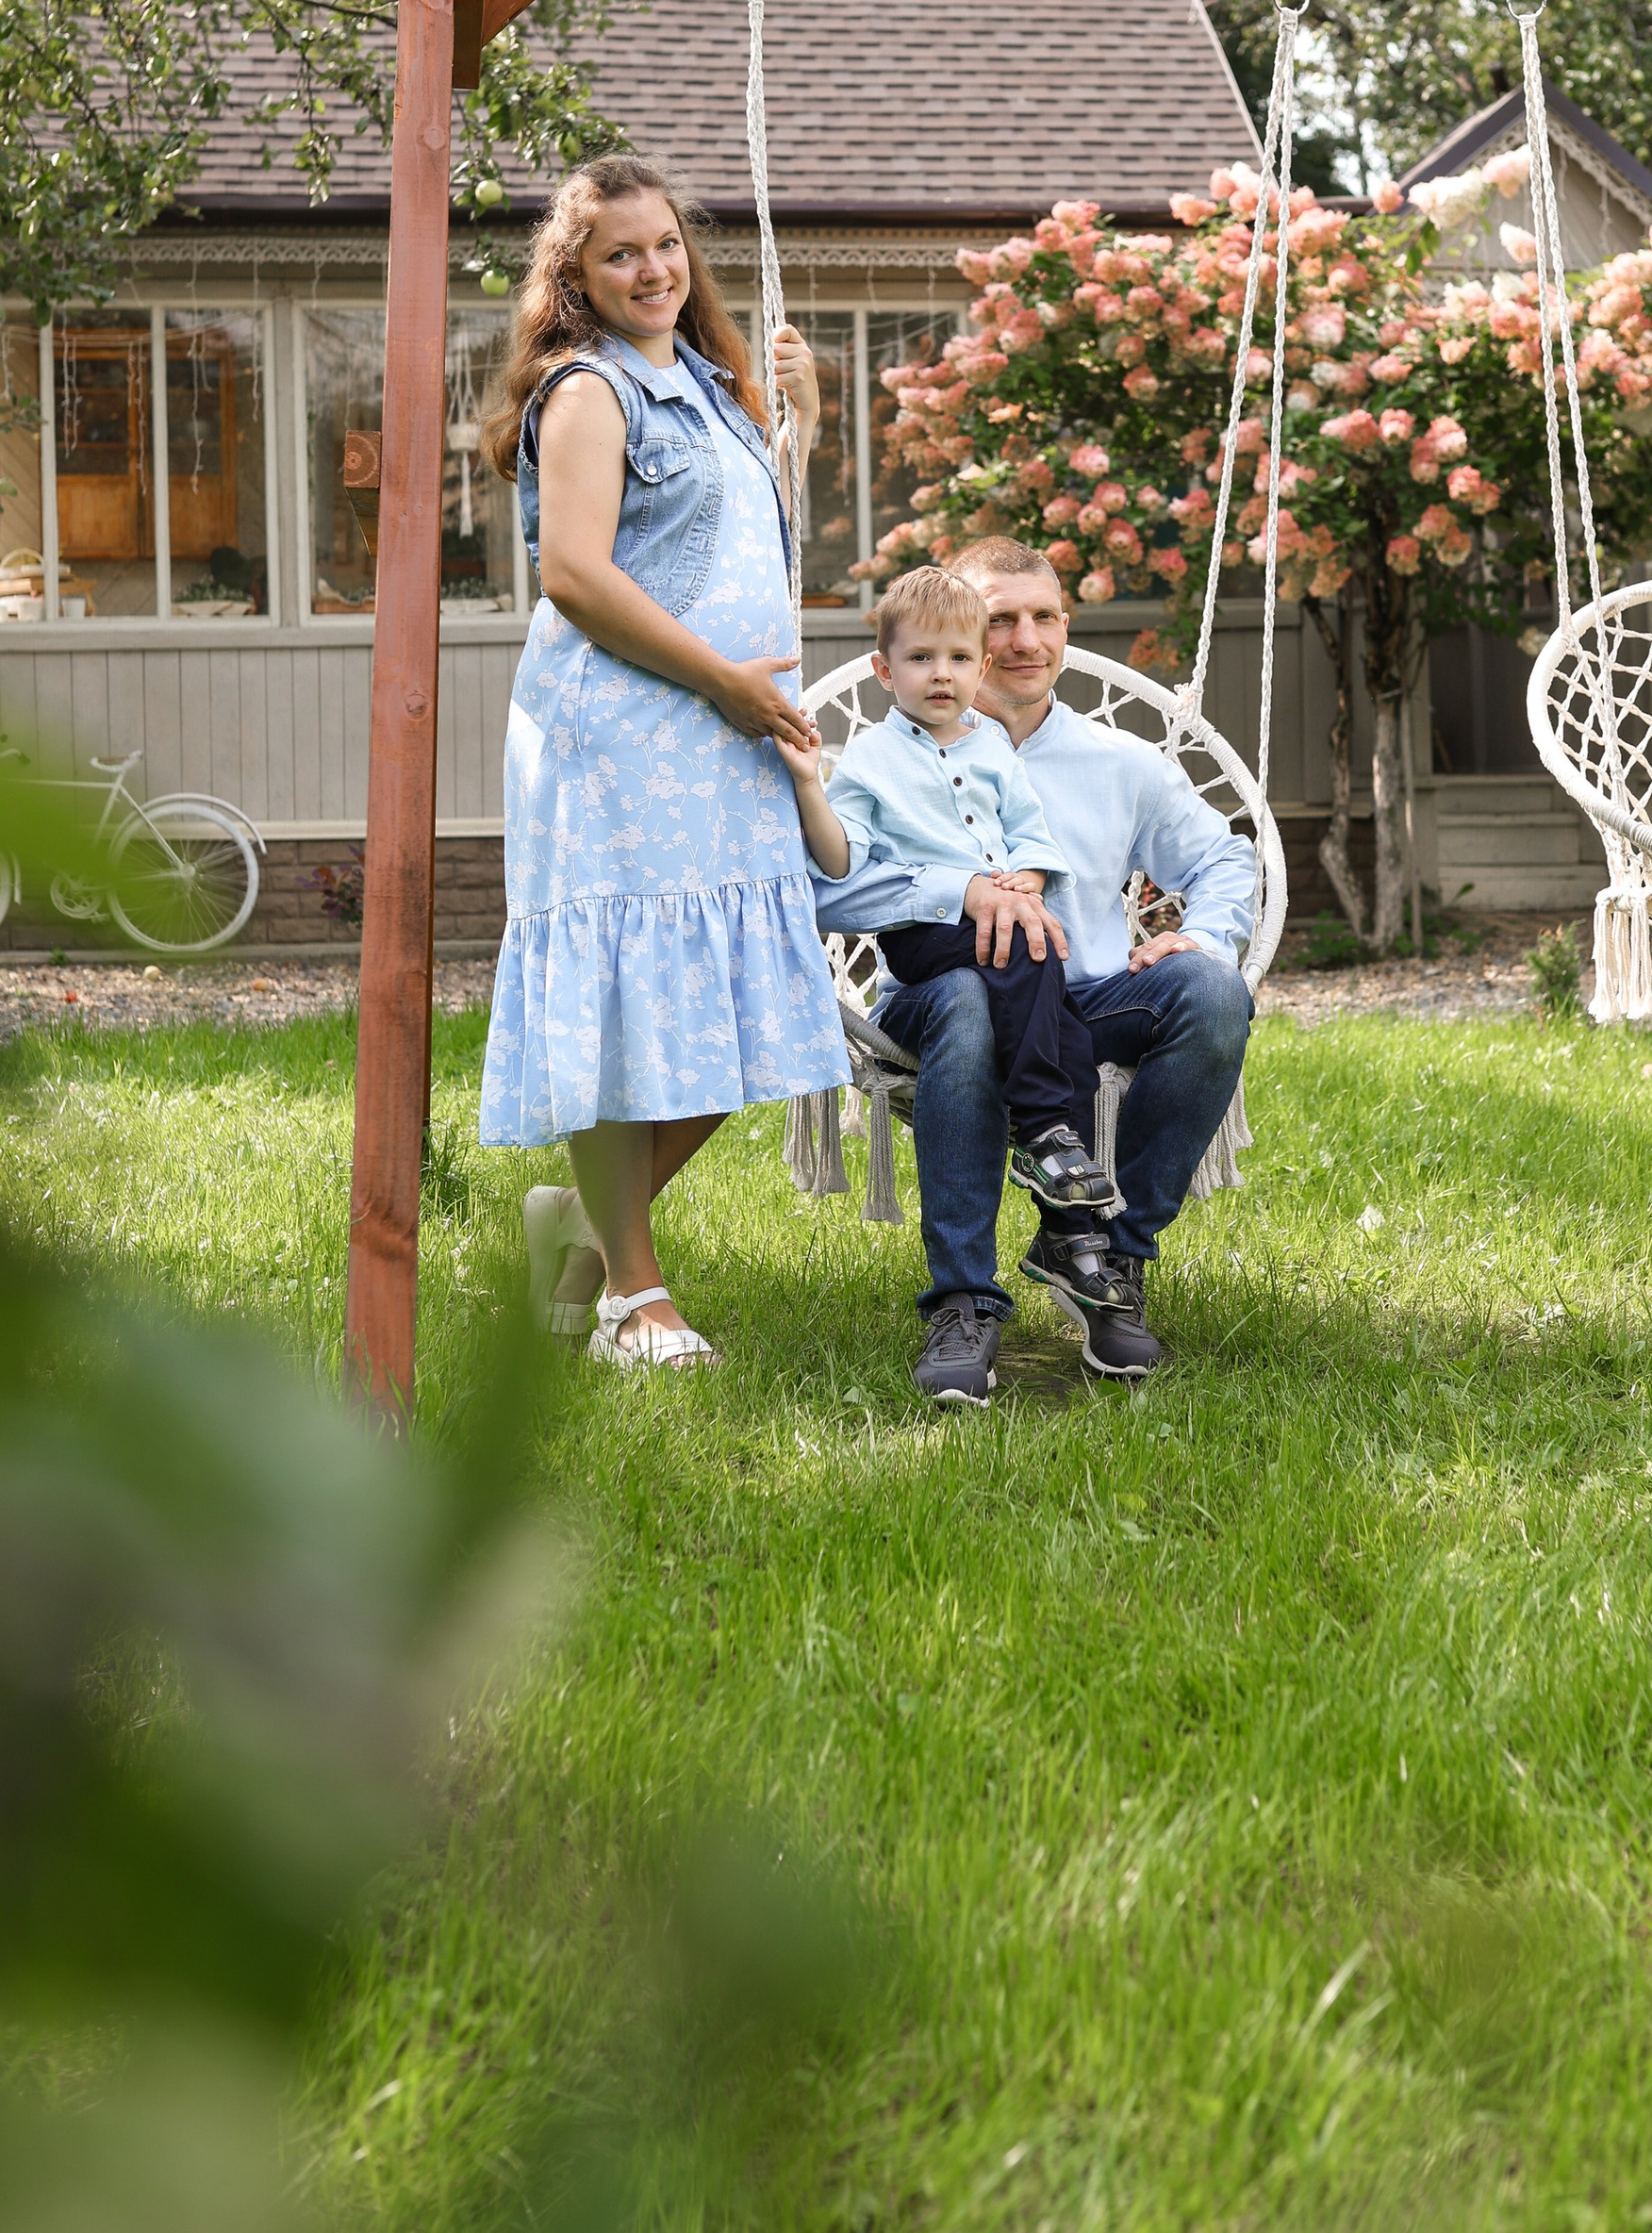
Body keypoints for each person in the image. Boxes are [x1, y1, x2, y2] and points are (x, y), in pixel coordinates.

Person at [475, 154, 847, 1367]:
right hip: (620, 739)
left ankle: (575, 1231)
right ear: (576, 278)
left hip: (721, 731)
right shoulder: (588, 392)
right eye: (620, 252)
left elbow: (739, 535)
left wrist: (802, 416)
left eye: (666, 245)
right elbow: (576, 576)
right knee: (632, 1012)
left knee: (739, 1017)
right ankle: (632, 1301)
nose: (652, 269)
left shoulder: (701, 381)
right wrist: (725, 682)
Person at [869, 538, 1258, 1402]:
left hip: (1076, 997)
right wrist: (958, 892)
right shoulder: (894, 760)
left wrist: (1207, 934)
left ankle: (1106, 1255)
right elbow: (836, 875)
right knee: (971, 997)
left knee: (1211, 991)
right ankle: (963, 1301)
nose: (1024, 640)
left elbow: (1225, 860)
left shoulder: (1116, 762)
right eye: (998, 620)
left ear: (1066, 628)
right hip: (933, 999)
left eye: (1043, 617)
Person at [782, 565, 1120, 1232]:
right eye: (920, 658)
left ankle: (1070, 1176)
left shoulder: (992, 746)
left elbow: (1029, 830)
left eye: (959, 658)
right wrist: (807, 785)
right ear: (885, 670)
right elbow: (839, 861)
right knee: (1030, 956)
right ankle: (1042, 1128)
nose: (942, 674)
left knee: (1064, 1019)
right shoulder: (873, 757)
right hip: (923, 934)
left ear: (982, 665)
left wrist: (1033, 879)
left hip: (1004, 932)